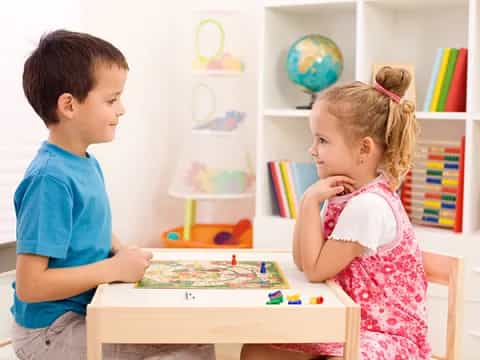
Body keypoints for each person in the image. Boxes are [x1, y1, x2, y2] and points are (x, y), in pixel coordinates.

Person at [11, 30, 215, 360]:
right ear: (69, 105)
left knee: (195, 336)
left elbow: (88, 225)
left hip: (83, 312)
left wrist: (121, 250)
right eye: (111, 99)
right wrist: (114, 269)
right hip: (50, 333)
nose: (122, 109)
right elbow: (31, 285)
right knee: (189, 351)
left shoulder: (82, 162)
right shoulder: (49, 178)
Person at [241, 67, 431, 360]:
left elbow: (316, 271)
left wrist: (307, 203)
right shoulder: (344, 194)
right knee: (256, 351)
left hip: (385, 337)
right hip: (349, 325)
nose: (312, 149)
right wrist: (310, 203)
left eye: (323, 141)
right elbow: (304, 261)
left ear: (363, 149)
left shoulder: (368, 206)